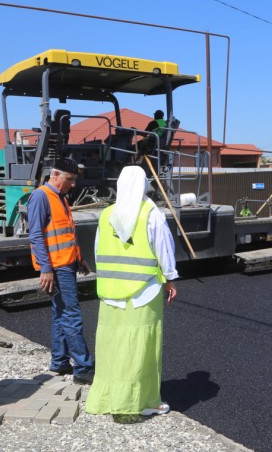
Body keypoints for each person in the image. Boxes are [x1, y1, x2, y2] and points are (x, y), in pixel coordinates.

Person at [85, 165, 178, 417]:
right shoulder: (151, 214)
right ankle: (143, 401)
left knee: (111, 346)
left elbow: (97, 252)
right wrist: (169, 278)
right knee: (142, 347)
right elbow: (164, 248)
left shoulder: (105, 215)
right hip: (143, 293)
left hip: (110, 293)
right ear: (145, 185)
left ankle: (109, 398)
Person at [28, 158, 95, 384]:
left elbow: (65, 233)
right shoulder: (41, 196)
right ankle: (84, 368)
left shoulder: (60, 197)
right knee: (71, 315)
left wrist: (79, 258)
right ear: (55, 175)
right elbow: (36, 235)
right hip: (56, 267)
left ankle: (60, 362)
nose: (73, 184)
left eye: (75, 180)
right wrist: (45, 269)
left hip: (65, 263)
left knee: (60, 314)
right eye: (70, 179)